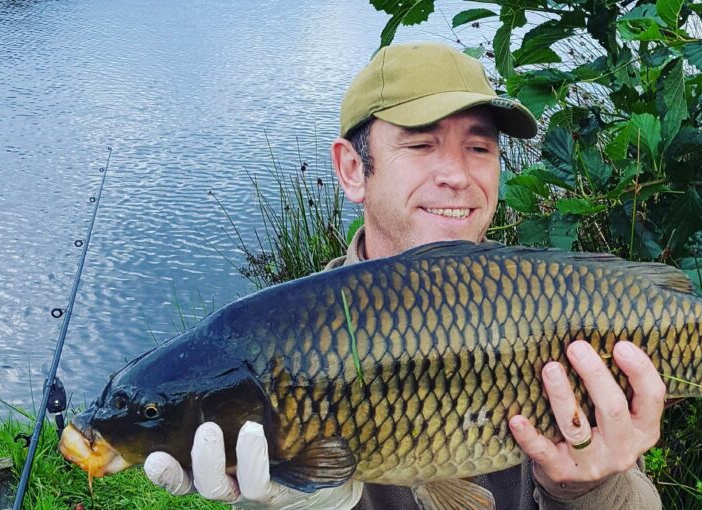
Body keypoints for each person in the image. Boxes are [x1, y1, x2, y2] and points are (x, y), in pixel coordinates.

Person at [144, 42, 665, 509]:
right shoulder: (286, 337)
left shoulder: (555, 308)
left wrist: (587, 490)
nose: (458, 175)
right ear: (353, 169)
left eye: (479, 148)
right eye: (421, 145)